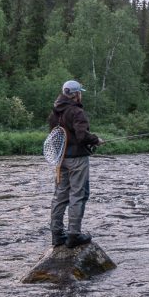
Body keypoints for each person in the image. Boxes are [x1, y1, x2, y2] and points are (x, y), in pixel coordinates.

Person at [48, 80, 104, 248]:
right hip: (77, 159)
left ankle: (57, 235)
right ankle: (74, 235)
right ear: (75, 94)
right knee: (78, 195)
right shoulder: (76, 111)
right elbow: (82, 136)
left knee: (60, 196)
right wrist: (96, 140)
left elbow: (53, 137)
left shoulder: (54, 112)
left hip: (60, 160)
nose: (81, 95)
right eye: (80, 92)